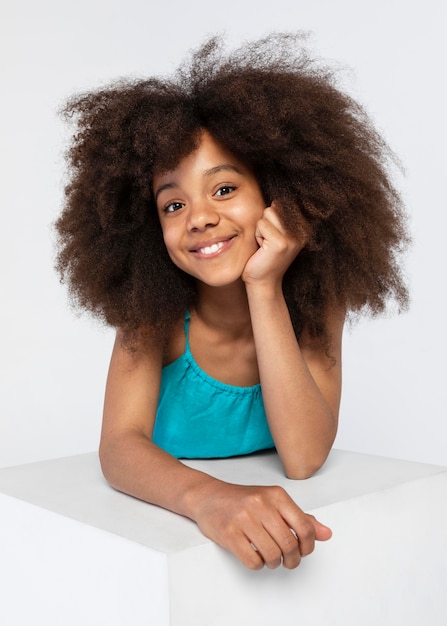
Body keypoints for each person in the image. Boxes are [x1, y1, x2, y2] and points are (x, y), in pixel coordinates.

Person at [55, 33, 409, 570]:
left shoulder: (317, 303)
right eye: (173, 204)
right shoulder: (153, 317)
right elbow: (119, 446)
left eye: (223, 190)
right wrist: (210, 498)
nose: (198, 217)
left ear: (277, 196)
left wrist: (264, 287)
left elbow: (304, 458)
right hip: (148, 548)